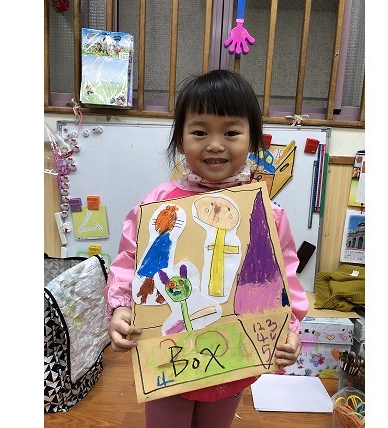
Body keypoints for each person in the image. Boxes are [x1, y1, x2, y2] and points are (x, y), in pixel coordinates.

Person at [103, 69, 308, 428]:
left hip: (233, 354)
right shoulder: (158, 204)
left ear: (252, 140)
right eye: (200, 132)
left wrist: (288, 328)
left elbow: (285, 277)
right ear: (180, 140)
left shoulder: (267, 214)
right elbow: (130, 260)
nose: (215, 144)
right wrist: (121, 307)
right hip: (168, 355)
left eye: (231, 132)